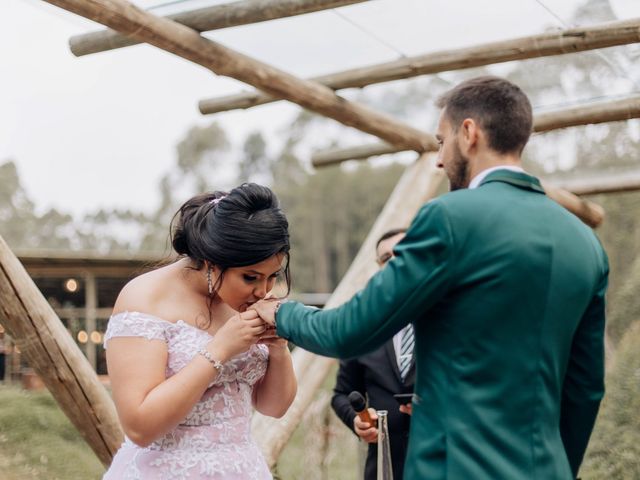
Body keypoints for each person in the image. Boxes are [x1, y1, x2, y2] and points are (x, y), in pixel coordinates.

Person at [251, 76, 608, 479]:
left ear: (469, 133)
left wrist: (280, 314)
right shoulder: (585, 243)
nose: (439, 160)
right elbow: (585, 390)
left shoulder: (450, 218)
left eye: (441, 141)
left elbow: (347, 331)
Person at [103, 183, 296, 479]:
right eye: (250, 277)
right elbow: (139, 427)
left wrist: (278, 348)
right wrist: (219, 350)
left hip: (244, 468)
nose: (263, 290)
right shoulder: (144, 299)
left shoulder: (246, 299)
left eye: (272, 276)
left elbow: (273, 407)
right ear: (211, 262)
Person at [331, 228, 414, 480]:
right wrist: (357, 422)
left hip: (444, 464)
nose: (395, 260)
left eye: (403, 252)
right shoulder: (363, 328)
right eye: (387, 257)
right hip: (384, 467)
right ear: (379, 267)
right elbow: (340, 394)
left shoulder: (448, 318)